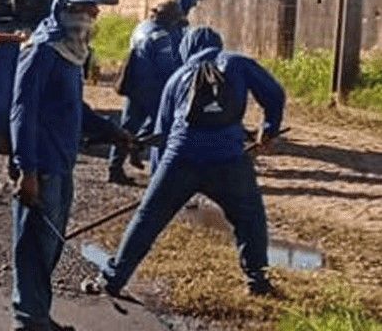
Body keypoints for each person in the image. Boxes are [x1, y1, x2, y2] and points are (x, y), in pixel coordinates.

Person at [83, 26, 285, 300]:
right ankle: (257, 279)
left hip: (181, 159)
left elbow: (164, 135)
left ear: (186, 49)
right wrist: (269, 128)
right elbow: (275, 94)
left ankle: (114, 279)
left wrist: (158, 182)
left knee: (147, 219)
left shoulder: (176, 78)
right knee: (250, 217)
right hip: (229, 159)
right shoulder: (238, 63)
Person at [9, 0, 131, 331]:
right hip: (41, 165)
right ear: (61, 8)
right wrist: (26, 169)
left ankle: (38, 315)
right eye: (79, 9)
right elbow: (22, 112)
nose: (87, 16)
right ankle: (28, 323)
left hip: (61, 163)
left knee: (49, 246)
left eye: (91, 10)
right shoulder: (42, 50)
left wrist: (113, 132)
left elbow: (73, 109)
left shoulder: (70, 52)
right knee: (33, 246)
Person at [108, 0, 185, 184]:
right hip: (153, 90)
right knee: (161, 127)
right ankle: (159, 172)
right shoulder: (161, 36)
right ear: (171, 19)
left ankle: (115, 168)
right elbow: (166, 68)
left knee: (126, 127)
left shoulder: (141, 28)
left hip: (134, 86)